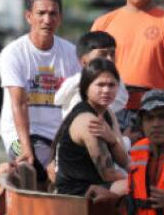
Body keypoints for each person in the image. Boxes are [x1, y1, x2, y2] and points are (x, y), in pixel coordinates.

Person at [0, 0, 78, 185]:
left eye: (53, 14)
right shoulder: (13, 52)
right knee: (31, 169)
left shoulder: (71, 53)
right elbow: (19, 104)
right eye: (41, 13)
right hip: (20, 135)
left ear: (59, 18)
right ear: (29, 16)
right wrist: (26, 149)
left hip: (59, 135)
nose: (47, 20)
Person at [52, 59, 131, 196]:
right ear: (86, 87)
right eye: (100, 85)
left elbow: (124, 160)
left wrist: (112, 140)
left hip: (98, 186)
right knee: (135, 187)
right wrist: (142, 182)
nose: (106, 90)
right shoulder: (89, 122)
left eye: (112, 85)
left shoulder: (108, 113)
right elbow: (109, 175)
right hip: (76, 194)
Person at [54, 30, 129, 117]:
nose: (109, 59)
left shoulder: (117, 81)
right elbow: (58, 99)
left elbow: (121, 102)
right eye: (102, 54)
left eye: (112, 54)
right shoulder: (76, 81)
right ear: (84, 61)